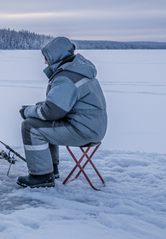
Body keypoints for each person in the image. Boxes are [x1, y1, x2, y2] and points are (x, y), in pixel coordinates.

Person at [17, 37, 107, 188]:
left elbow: (51, 112)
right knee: (43, 123)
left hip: (84, 131)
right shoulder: (77, 70)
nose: (45, 62)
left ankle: (42, 176)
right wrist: (37, 108)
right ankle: (51, 169)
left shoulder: (66, 77)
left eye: (46, 58)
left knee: (30, 126)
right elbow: (59, 107)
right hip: (92, 128)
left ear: (55, 55)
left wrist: (28, 111)